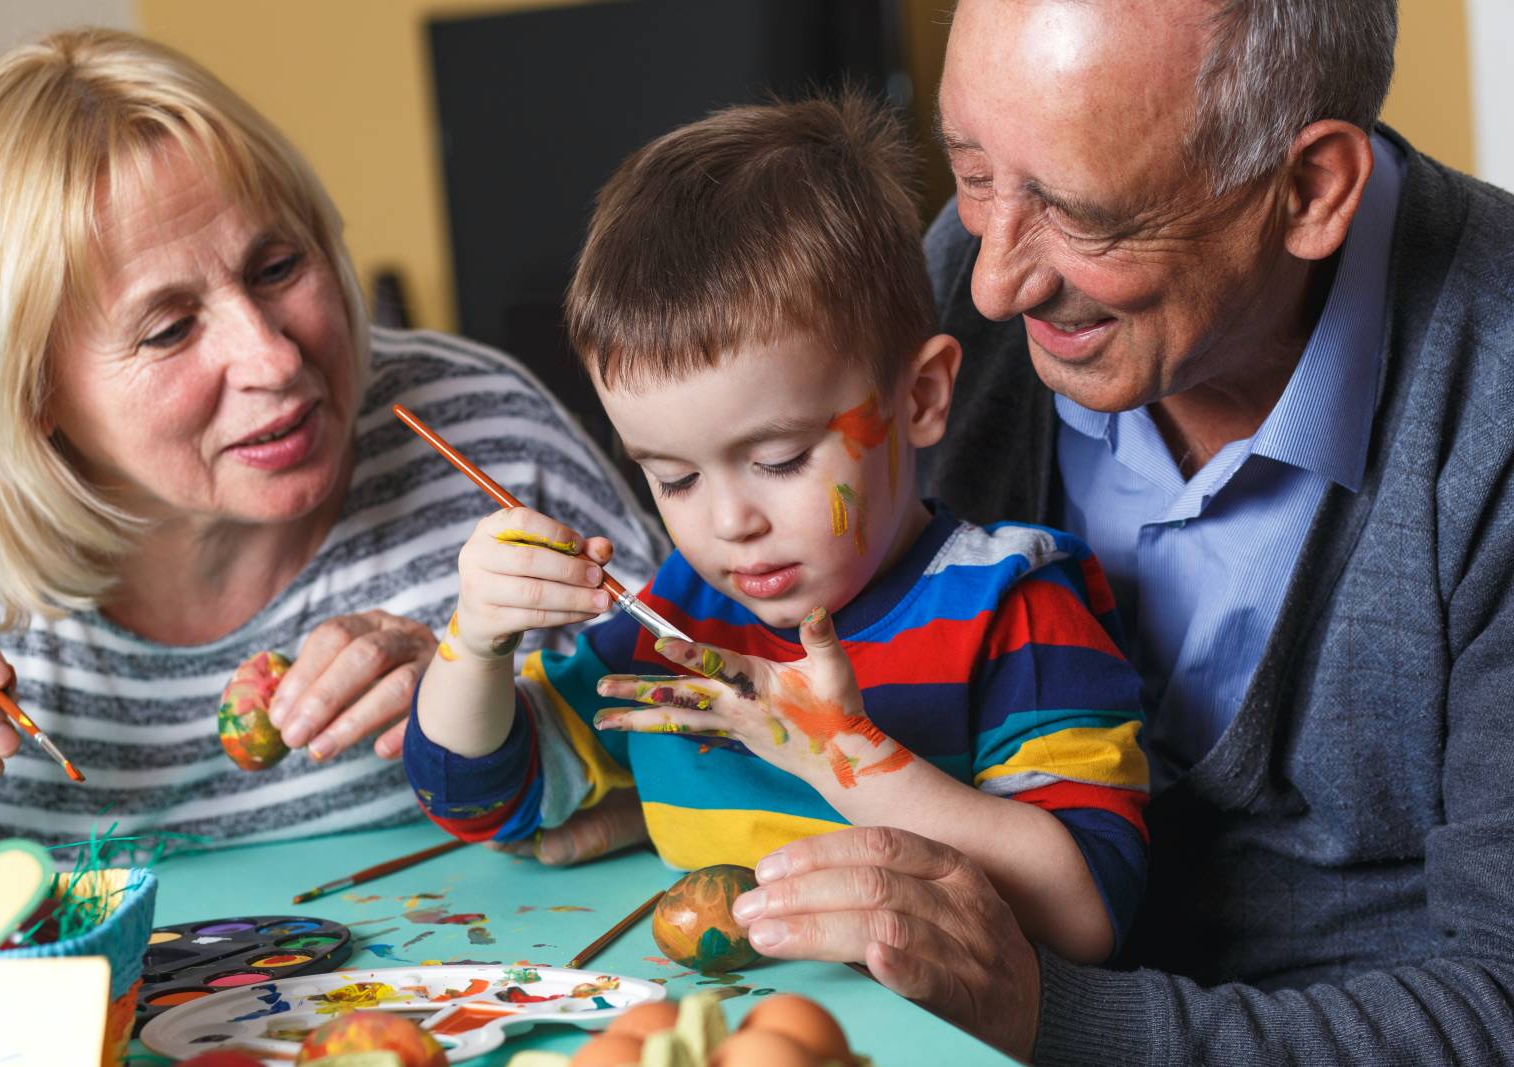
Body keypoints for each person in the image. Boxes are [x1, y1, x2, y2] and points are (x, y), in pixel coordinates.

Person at [726, 0, 1514, 1063]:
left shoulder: (1493, 407)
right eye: (965, 171)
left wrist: (1050, 1017)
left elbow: (1500, 1003)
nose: (994, 283)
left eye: (1081, 215)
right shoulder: (976, 268)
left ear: (1310, 190)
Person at [404, 95, 1150, 965]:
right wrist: (475, 643)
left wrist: (847, 757)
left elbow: (1087, 912)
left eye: (783, 459)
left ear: (919, 398)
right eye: (672, 477)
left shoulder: (1014, 613)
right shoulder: (677, 624)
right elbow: (489, 799)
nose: (729, 523)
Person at [0, 28, 662, 850]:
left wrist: (491, 712)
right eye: (167, 329)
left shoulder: (486, 432)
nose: (273, 357)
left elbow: (731, 715)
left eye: (276, 267)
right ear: (34, 393)